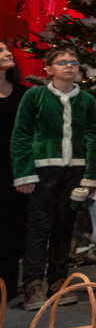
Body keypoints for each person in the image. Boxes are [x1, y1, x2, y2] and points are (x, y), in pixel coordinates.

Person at [11, 46, 96, 311]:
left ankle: (59, 281)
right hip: (42, 171)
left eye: (74, 62)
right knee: (38, 226)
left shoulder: (85, 100)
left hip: (74, 171)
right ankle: (33, 284)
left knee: (65, 225)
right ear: (48, 69)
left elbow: (92, 137)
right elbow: (21, 135)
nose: (69, 66)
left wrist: (90, 176)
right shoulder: (34, 96)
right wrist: (23, 173)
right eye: (62, 62)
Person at [0, 40, 28, 297]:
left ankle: (8, 286)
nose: (8, 53)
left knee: (12, 226)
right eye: (0, 51)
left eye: (6, 50)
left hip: (16, 167)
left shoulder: (24, 93)